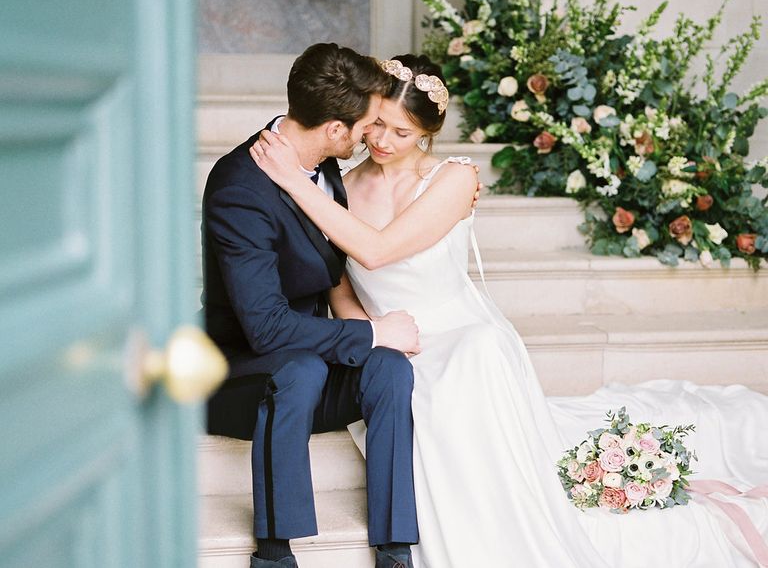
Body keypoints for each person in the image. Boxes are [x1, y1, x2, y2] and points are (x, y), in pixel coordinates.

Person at [251, 54, 768, 567]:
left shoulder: (453, 179)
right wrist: (371, 334)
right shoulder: (341, 183)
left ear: (427, 134)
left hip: (458, 329)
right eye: (378, 124)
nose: (383, 141)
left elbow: (378, 251)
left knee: (475, 354)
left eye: (402, 132)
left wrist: (295, 182)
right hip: (389, 335)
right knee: (393, 375)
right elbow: (338, 279)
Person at [203, 43, 423, 568]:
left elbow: (329, 275)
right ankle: (275, 554)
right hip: (238, 378)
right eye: (368, 124)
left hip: (305, 365)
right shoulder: (239, 187)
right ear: (335, 129)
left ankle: (394, 550)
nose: (374, 135)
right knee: (301, 368)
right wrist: (372, 333)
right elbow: (266, 330)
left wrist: (375, 342)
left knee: (389, 369)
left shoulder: (323, 173)